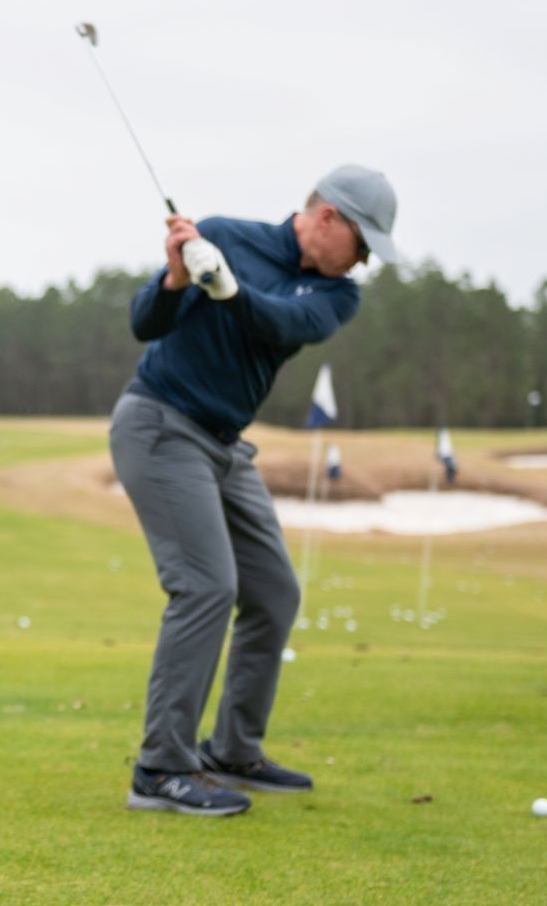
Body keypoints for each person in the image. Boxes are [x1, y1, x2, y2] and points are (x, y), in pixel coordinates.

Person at [110, 165, 400, 816]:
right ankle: (160, 767)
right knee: (206, 585)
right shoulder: (222, 237)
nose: (363, 263)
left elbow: (277, 324)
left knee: (273, 591)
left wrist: (227, 287)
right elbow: (143, 322)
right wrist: (178, 278)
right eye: (363, 245)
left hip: (224, 445)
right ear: (329, 217)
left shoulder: (337, 295)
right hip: (160, 423)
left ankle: (233, 748)